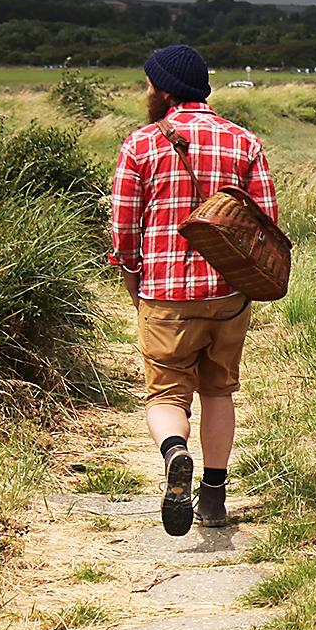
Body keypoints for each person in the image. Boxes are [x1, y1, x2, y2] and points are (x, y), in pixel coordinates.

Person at [107, 44, 278, 535]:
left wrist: (131, 274)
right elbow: (265, 224)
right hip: (228, 295)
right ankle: (215, 497)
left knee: (166, 395)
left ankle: (174, 453)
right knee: (219, 391)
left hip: (164, 295)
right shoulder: (244, 143)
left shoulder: (140, 145)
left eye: (148, 83)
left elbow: (122, 227)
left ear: (163, 90)